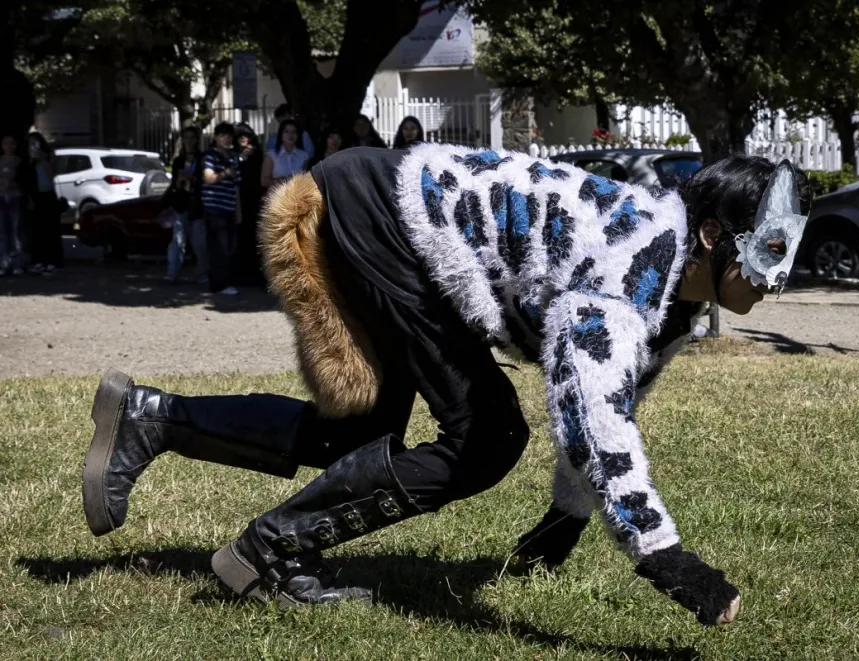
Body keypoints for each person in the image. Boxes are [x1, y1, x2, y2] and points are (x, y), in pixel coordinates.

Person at [81, 145, 810, 626]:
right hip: (385, 214)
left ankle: (152, 418)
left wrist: (565, 518)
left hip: (378, 201)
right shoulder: (631, 275)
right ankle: (270, 547)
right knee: (487, 436)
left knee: (359, 434)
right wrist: (670, 561)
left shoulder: (672, 289)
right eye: (769, 249)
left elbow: (605, 405)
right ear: (712, 235)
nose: (777, 276)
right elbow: (597, 425)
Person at [200, 123, 241, 295]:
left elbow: (236, 186)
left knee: (229, 247)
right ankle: (218, 284)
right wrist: (225, 173)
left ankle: (223, 281)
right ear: (216, 137)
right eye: (222, 135)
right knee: (218, 247)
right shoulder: (210, 156)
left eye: (229, 136)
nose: (226, 139)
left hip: (229, 208)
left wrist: (238, 211)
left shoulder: (233, 157)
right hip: (214, 208)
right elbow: (208, 178)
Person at [161, 127, 204, 283]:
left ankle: (203, 274)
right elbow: (174, 185)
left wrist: (192, 179)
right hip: (181, 204)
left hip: (197, 206)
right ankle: (172, 273)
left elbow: (204, 182)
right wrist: (179, 183)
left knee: (199, 243)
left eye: (192, 137)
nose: (189, 141)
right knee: (177, 241)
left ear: (197, 140)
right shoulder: (179, 161)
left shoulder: (202, 159)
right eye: (186, 138)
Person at [233, 123, 266, 287]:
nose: (243, 139)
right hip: (238, 199)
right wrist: (241, 158)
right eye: (240, 136)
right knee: (240, 237)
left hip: (254, 199)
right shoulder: (234, 155)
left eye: (246, 136)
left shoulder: (257, 154)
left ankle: (255, 275)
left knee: (254, 237)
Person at [26, 132, 64, 275]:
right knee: (37, 231)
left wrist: (42, 160)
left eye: (35, 143)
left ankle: (53, 261)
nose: (33, 146)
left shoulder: (49, 155)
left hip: (49, 195)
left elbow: (52, 175)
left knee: (51, 229)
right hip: (36, 196)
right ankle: (39, 260)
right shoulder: (30, 159)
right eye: (31, 144)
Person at [0, 134, 29, 276]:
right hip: (1, 197)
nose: (8, 146)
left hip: (15, 197)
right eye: (6, 143)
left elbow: (23, 180)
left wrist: (10, 185)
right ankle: (4, 263)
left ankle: (18, 263)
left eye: (11, 143)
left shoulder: (19, 162)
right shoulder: (0, 161)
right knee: (2, 232)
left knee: (15, 231)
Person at [261, 119, 310, 190]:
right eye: (286, 131)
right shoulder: (271, 155)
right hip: (278, 194)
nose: (290, 135)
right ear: (281, 134)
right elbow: (264, 181)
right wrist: (285, 180)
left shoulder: (304, 155)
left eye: (294, 132)